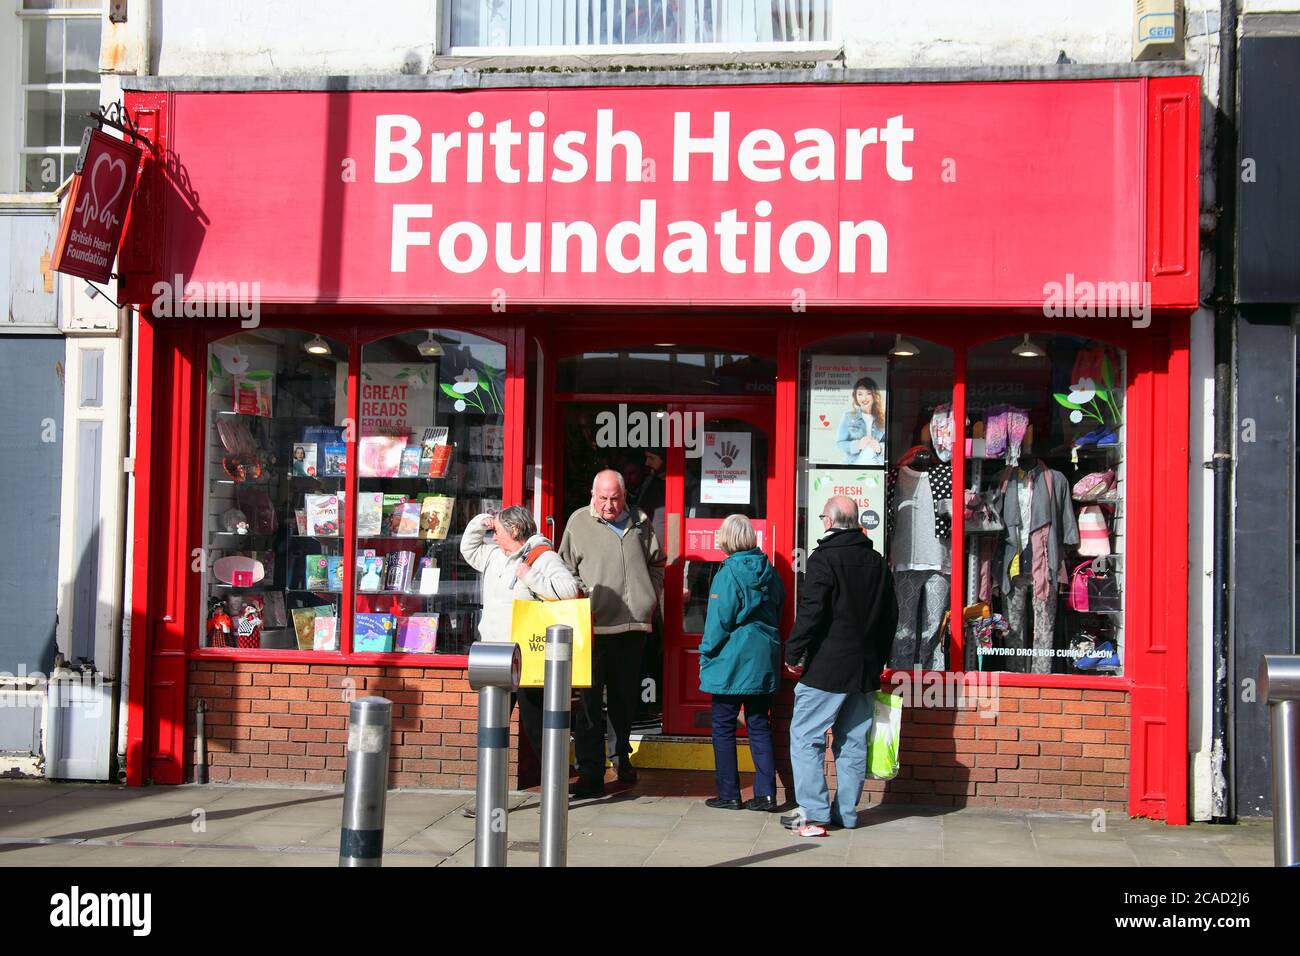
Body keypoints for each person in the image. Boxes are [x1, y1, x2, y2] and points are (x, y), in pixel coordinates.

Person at [781, 495, 898, 837]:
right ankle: (846, 813)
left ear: (829, 522)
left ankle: (814, 814)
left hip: (826, 669)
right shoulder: (877, 562)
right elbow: (891, 617)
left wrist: (793, 653)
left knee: (805, 736)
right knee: (853, 741)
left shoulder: (823, 559)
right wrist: (877, 658)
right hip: (864, 671)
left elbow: (811, 613)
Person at [460, 505, 581, 816]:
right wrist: (481, 521)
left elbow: (570, 591)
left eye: (497, 531)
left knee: (538, 728)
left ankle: (556, 794)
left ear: (514, 532)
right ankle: (488, 798)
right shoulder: (493, 555)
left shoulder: (542, 556)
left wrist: (531, 576)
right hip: (494, 653)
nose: (494, 536)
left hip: (527, 656)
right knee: (492, 729)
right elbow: (468, 548)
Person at [558, 469, 666, 798]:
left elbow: (657, 563)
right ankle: (590, 771)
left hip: (633, 626)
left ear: (624, 496)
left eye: (615, 498)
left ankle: (621, 759)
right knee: (590, 704)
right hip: (594, 626)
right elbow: (565, 568)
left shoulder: (640, 522)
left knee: (623, 699)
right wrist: (583, 597)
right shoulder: (578, 522)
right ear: (593, 494)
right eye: (603, 498)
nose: (609, 505)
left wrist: (650, 596)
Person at [698, 514, 785, 812]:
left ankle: (729, 793)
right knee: (759, 725)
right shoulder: (771, 572)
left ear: (727, 539)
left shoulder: (727, 574)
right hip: (763, 660)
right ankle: (767, 794)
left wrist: (705, 652)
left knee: (723, 726)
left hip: (731, 663)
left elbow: (717, 622)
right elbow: (780, 608)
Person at [836, 376, 886, 465]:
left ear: (874, 395)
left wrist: (880, 448)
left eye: (868, 393)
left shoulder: (883, 418)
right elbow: (839, 443)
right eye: (860, 394)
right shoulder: (848, 417)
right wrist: (857, 445)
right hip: (854, 465)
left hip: (876, 466)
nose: (864, 398)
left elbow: (890, 445)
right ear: (855, 395)